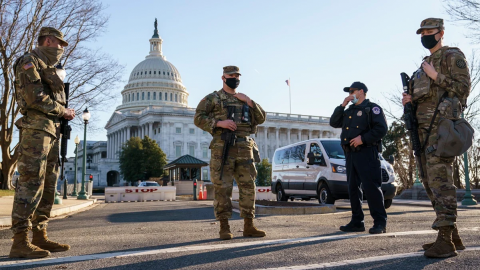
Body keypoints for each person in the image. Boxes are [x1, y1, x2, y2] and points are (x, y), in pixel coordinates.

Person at [402, 18, 470, 258]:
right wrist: (409, 101)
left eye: (430, 32)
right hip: (421, 132)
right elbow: (423, 98)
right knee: (430, 184)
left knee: (441, 182)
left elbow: (462, 90)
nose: (426, 36)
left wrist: (435, 76)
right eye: (423, 32)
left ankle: (445, 240)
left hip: (441, 130)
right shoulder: (422, 67)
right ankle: (453, 236)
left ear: (441, 33)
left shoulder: (452, 56)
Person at [10, 27, 75, 259]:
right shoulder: (29, 62)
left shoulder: (49, 67)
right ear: (48, 41)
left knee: (48, 185)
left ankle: (39, 235)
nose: (60, 49)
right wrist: (63, 110)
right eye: (60, 44)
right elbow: (34, 97)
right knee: (31, 183)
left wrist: (61, 114)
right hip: (36, 131)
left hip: (51, 131)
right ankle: (19, 242)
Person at [194, 66, 266, 240]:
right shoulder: (214, 98)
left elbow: (261, 117)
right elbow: (198, 117)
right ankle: (224, 227)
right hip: (223, 147)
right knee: (222, 187)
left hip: (245, 146)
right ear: (223, 78)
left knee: (248, 186)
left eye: (237, 76)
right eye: (231, 76)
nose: (235, 78)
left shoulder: (244, 99)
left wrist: (249, 101)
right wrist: (219, 123)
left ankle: (249, 225)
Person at [330, 81, 388, 234]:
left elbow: (381, 129)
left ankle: (380, 222)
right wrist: (342, 105)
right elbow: (334, 122)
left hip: (367, 152)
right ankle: (357, 221)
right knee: (353, 189)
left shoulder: (372, 109)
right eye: (348, 92)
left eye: (352, 91)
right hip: (350, 154)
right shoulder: (349, 111)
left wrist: (363, 138)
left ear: (361, 91)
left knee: (371, 188)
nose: (350, 95)